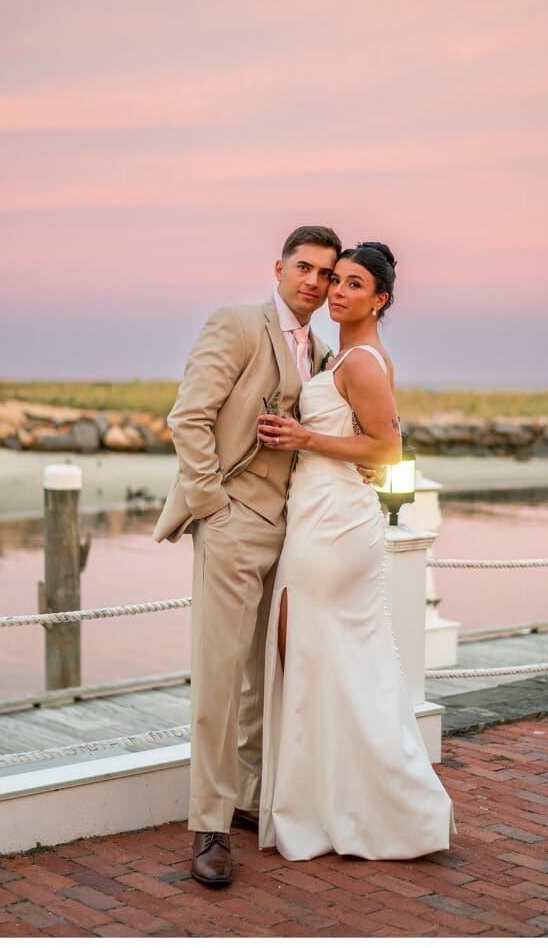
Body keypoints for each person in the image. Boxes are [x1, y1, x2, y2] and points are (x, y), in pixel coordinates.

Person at [153, 225, 381, 886]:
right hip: (233, 522)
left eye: (327, 274)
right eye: (304, 268)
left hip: (295, 528)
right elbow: (188, 417)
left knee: (263, 673)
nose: (314, 282)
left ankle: (246, 799)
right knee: (220, 675)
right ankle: (208, 826)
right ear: (278, 267)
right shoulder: (236, 325)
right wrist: (212, 507)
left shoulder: (323, 347)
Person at [257, 241, 456, 861]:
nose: (337, 292)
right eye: (335, 280)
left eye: (353, 284)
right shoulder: (341, 355)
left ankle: (359, 807)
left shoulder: (362, 362)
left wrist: (303, 436)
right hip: (322, 516)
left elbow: (389, 452)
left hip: (334, 529)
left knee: (317, 660)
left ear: (381, 299)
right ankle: (332, 803)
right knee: (330, 666)